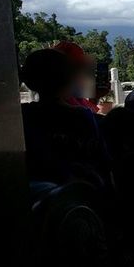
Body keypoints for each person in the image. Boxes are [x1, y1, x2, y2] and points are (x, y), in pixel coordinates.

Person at [20, 48, 110, 185]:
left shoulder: (23, 115)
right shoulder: (83, 117)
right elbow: (101, 161)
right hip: (77, 193)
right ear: (69, 79)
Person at [53, 41, 100, 113]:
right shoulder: (72, 107)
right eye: (80, 67)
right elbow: (88, 118)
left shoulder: (77, 99)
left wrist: (95, 97)